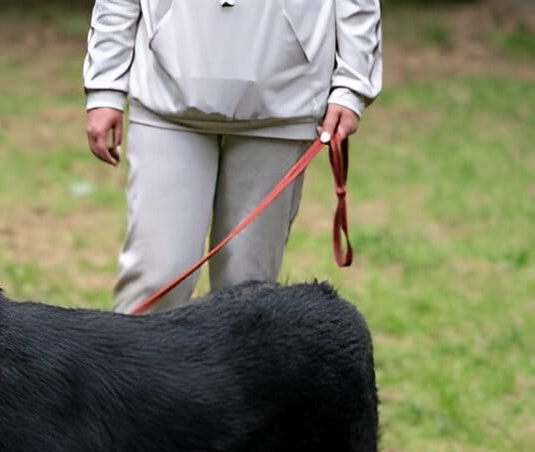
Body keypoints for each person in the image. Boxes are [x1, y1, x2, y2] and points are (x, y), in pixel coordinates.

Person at [83, 0, 383, 314]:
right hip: (166, 97)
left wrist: (352, 84)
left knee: (246, 295)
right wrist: (105, 85)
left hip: (284, 100)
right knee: (156, 280)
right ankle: (135, 364)